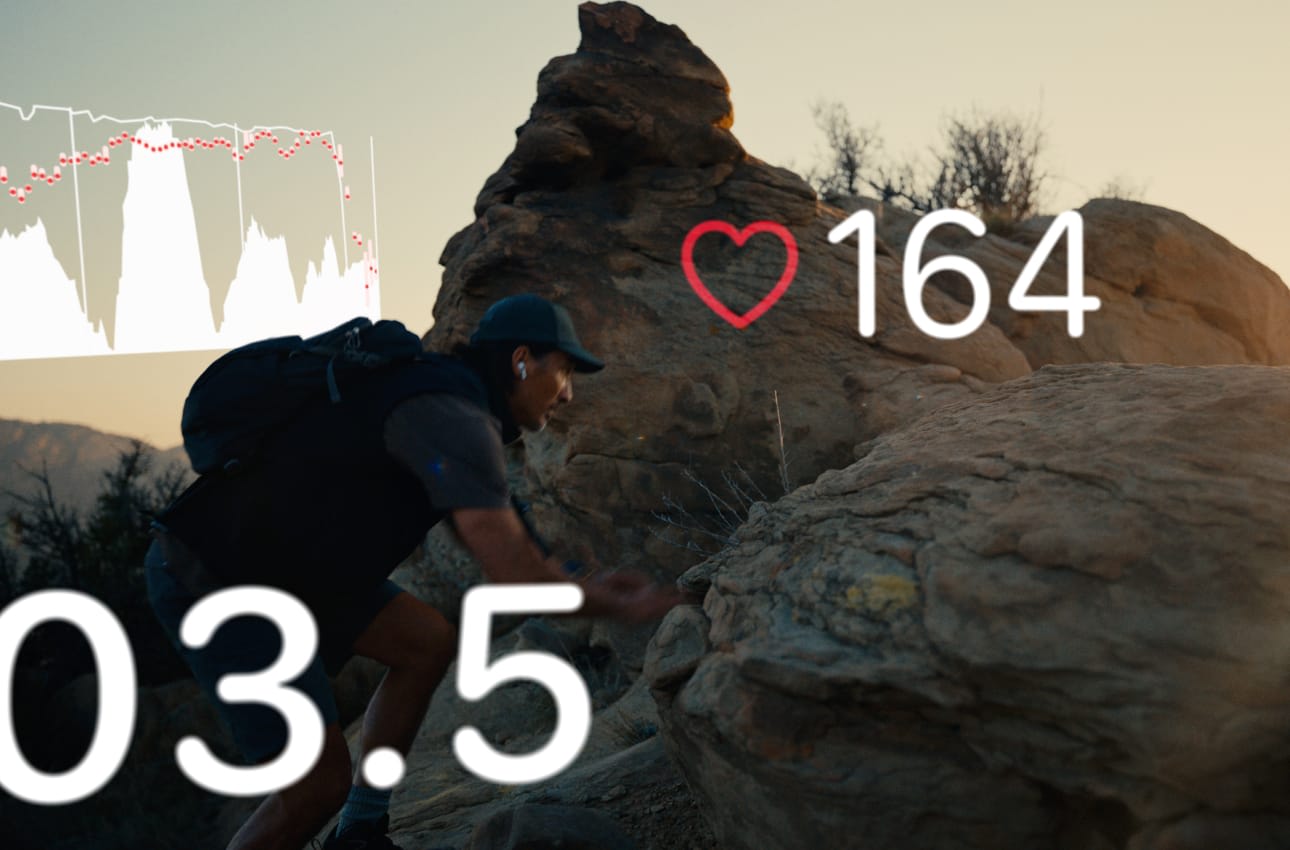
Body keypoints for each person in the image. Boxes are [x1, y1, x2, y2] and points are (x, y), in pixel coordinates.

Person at [145, 294, 681, 850]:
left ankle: (361, 831)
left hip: (300, 571)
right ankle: (341, 816)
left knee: (424, 641)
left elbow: (515, 539)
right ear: (522, 359)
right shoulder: (451, 416)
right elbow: (515, 574)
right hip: (218, 575)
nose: (568, 392)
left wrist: (585, 583)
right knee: (314, 790)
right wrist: (622, 606)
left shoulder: (446, 400)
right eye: (564, 370)